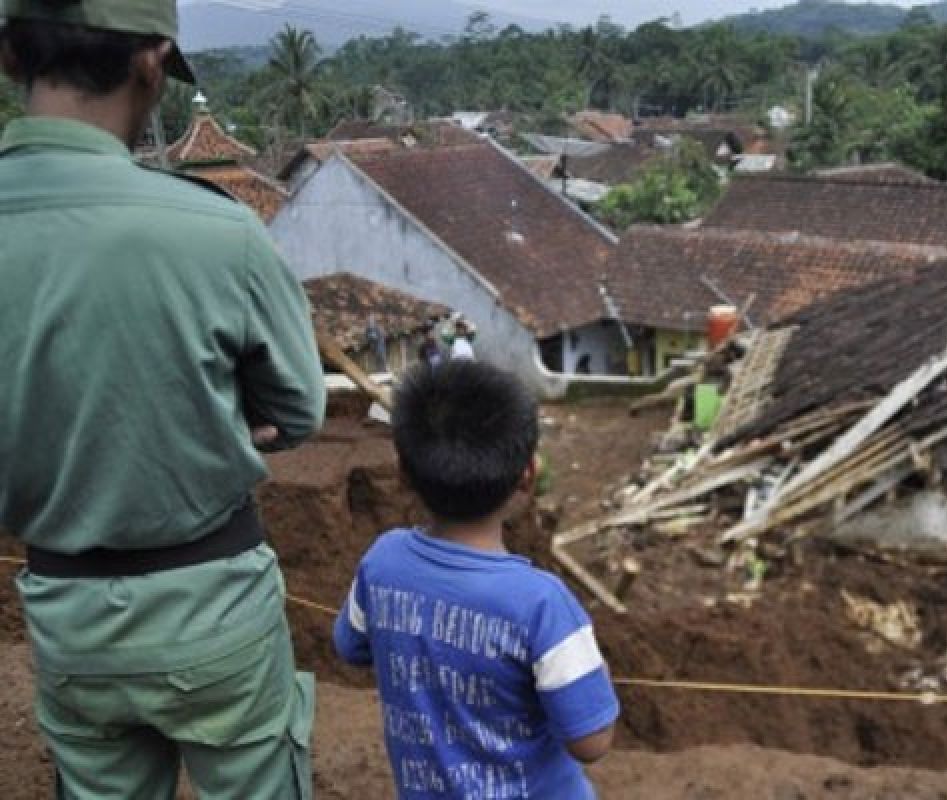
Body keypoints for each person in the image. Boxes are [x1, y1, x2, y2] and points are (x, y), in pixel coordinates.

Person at [0, 3, 326, 797]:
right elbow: (301, 408)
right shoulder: (216, 231)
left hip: (66, 613)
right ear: (152, 63)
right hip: (214, 605)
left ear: (11, 56)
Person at [332, 361, 618, 799]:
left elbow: (350, 647)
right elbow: (591, 741)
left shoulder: (382, 563)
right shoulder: (542, 603)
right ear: (528, 475)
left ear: (403, 473)